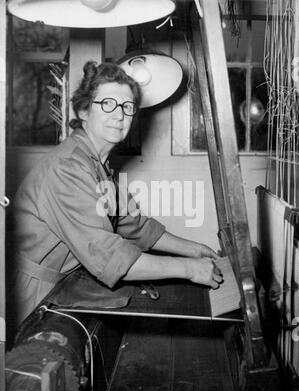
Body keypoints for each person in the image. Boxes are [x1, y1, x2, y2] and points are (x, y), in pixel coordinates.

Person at [9, 61, 223, 331]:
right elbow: (109, 257)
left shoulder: (96, 164)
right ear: (84, 110)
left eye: (127, 107)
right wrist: (190, 269)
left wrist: (195, 250)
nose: (119, 115)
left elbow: (135, 226)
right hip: (28, 294)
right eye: (107, 103)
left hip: (60, 285)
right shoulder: (68, 168)